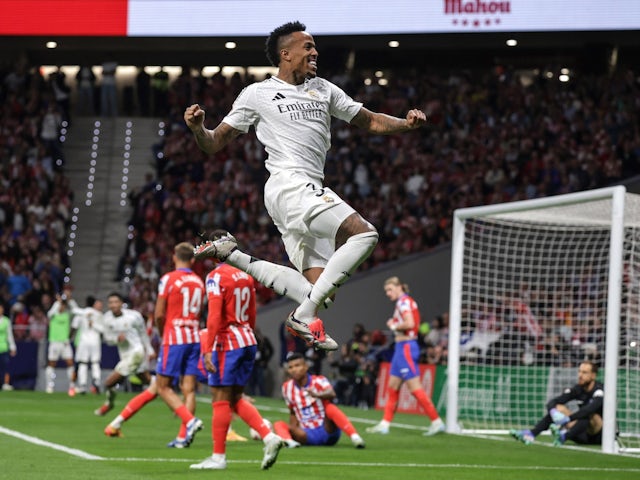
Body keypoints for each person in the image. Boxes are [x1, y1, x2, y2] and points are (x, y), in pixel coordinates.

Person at [185, 20, 427, 352]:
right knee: (365, 234)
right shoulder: (257, 94)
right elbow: (214, 143)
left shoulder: (324, 89)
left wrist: (406, 124)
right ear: (286, 54)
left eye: (314, 47)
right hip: (289, 185)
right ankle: (303, 316)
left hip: (304, 188)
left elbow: (369, 119)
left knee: (319, 291)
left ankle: (233, 255)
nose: (315, 52)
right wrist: (199, 129)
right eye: (308, 47)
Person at [190, 232, 284, 471]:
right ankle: (268, 435)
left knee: (220, 400)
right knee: (235, 398)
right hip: (247, 340)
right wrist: (247, 335)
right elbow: (252, 314)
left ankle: (218, 457)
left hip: (226, 342)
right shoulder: (245, 275)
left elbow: (214, 317)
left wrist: (209, 348)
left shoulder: (215, 276)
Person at [367, 277, 445, 436]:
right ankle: (385, 424)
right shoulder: (404, 302)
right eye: (386, 291)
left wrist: (394, 325)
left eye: (390, 290)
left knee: (415, 388)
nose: (388, 294)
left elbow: (410, 323)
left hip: (407, 348)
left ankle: (437, 422)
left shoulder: (404, 302)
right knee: (392, 387)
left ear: (398, 287)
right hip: (400, 349)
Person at [154, 242, 205, 447]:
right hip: (194, 337)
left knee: (163, 387)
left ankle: (190, 421)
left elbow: (159, 314)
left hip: (174, 337)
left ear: (174, 257)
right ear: (192, 260)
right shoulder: (199, 282)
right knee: (189, 389)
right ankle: (183, 437)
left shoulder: (168, 279)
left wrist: (162, 333)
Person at [273, 352, 365, 449]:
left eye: (297, 365)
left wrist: (317, 394)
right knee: (279, 424)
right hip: (307, 434)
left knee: (330, 408)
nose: (294, 370)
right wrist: (294, 430)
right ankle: (289, 442)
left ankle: (355, 437)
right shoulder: (287, 388)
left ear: (306, 366)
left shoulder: (319, 380)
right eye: (291, 367)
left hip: (326, 429)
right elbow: (292, 412)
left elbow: (332, 394)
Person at [510, 361, 604, 446]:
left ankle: (563, 437)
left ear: (593, 375)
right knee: (559, 408)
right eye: (579, 371)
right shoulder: (578, 389)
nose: (580, 375)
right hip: (581, 433)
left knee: (589, 414)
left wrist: (568, 419)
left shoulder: (599, 390)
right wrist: (554, 412)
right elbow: (553, 401)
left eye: (584, 373)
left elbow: (589, 409)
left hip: (598, 436)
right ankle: (531, 434)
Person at [94, 292, 155, 417]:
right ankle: (176, 401)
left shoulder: (134, 316)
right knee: (148, 380)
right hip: (124, 354)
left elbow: (143, 334)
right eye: (111, 302)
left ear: (122, 303)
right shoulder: (106, 319)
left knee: (109, 383)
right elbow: (107, 338)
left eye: (116, 302)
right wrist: (116, 339)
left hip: (137, 352)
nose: (113, 305)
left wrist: (150, 350)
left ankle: (109, 404)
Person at [45, 289, 79, 395]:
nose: (63, 306)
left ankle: (72, 386)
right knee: (52, 363)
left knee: (70, 363)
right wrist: (58, 302)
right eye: (62, 304)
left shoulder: (68, 314)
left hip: (65, 342)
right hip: (54, 341)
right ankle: (49, 386)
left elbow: (77, 311)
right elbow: (49, 314)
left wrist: (70, 300)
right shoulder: (53, 314)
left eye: (64, 304)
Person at [70, 296, 104, 394]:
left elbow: (74, 326)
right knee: (95, 363)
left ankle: (83, 385)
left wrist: (69, 338)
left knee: (83, 363)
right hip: (95, 341)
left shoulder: (81, 313)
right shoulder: (99, 314)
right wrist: (94, 325)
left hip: (83, 341)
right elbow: (103, 330)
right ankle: (96, 382)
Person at [0, 304, 17, 391]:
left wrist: (12, 347)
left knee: (6, 367)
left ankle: (6, 384)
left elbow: (9, 335)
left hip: (3, 347)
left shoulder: (6, 321)